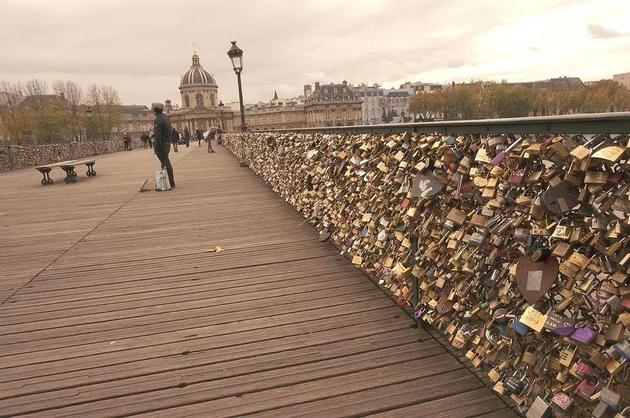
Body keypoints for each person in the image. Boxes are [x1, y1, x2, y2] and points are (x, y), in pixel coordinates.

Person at [152, 102, 175, 189]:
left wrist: (156, 148)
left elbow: (158, 135)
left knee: (165, 162)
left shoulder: (158, 119)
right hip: (167, 142)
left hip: (162, 144)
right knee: (165, 162)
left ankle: (170, 182)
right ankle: (168, 181)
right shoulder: (165, 117)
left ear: (155, 109)